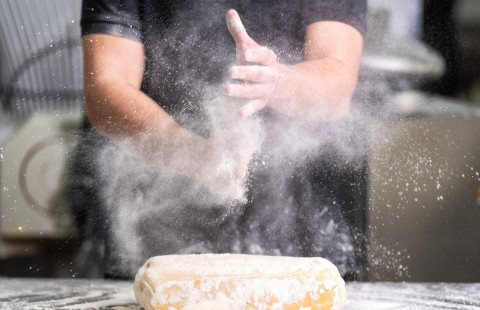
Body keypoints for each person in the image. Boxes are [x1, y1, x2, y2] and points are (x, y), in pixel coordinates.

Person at [73, 0, 366, 279]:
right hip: (156, 243)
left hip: (302, 240)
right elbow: (107, 89)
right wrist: (197, 156)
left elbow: (337, 87)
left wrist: (275, 82)